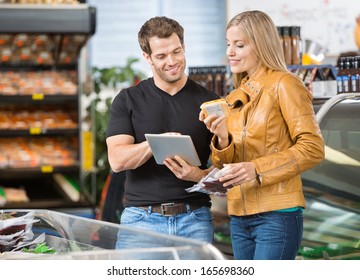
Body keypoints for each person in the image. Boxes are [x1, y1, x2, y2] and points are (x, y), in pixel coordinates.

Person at [199, 10, 325, 260]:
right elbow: (226, 165)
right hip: (239, 215)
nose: (230, 52)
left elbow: (313, 148)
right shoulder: (236, 95)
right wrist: (222, 138)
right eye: (228, 44)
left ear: (261, 45)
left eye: (239, 45)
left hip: (277, 214)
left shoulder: (285, 84)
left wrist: (256, 168)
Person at [106, 16, 219, 249]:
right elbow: (117, 161)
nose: (172, 61)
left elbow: (228, 169)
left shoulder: (209, 102)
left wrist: (197, 175)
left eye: (177, 52)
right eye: (161, 56)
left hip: (195, 221)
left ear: (184, 47)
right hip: (140, 221)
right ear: (147, 57)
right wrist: (156, 144)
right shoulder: (127, 100)